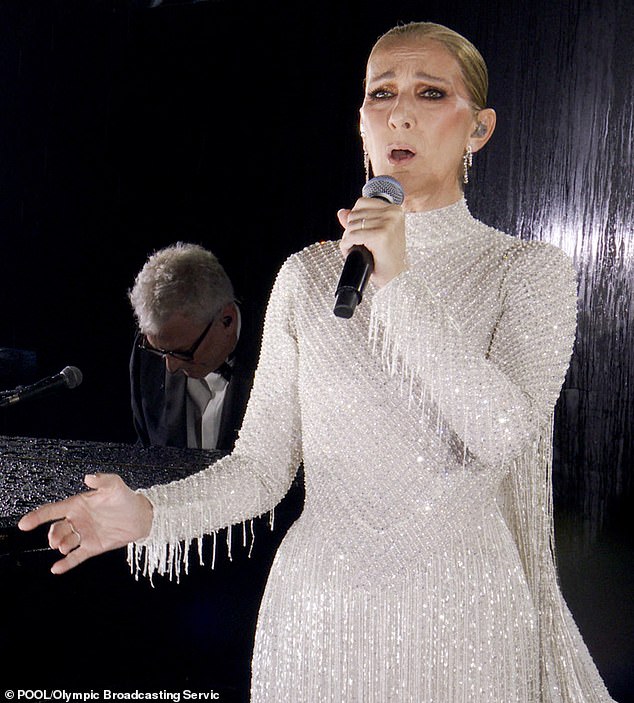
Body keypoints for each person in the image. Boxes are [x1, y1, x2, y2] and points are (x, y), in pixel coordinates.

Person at [19, 21, 616, 703]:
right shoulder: (308, 275)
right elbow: (263, 468)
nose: (399, 111)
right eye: (380, 93)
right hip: (316, 625)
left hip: (466, 626)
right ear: (360, 121)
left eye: (429, 92)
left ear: (478, 128)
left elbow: (504, 432)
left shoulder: (528, 271)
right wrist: (150, 515)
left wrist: (399, 284)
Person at [128, 242, 254, 451]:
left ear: (227, 320)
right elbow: (148, 454)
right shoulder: (149, 353)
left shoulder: (279, 358)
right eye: (160, 351)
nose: (170, 367)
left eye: (182, 352)